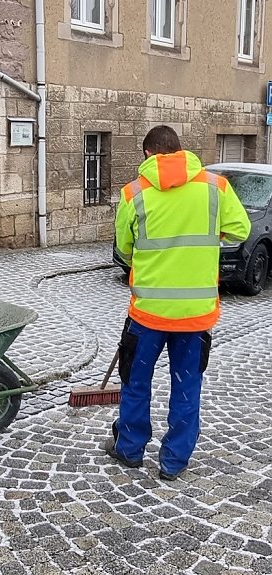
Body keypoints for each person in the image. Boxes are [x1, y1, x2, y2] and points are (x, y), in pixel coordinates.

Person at [107, 125, 250, 481]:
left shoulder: (133, 193)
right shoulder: (215, 188)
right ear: (179, 150)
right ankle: (173, 461)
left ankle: (129, 449)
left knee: (136, 382)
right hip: (195, 316)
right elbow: (241, 231)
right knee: (186, 385)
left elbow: (124, 250)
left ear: (147, 155)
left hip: (148, 315)